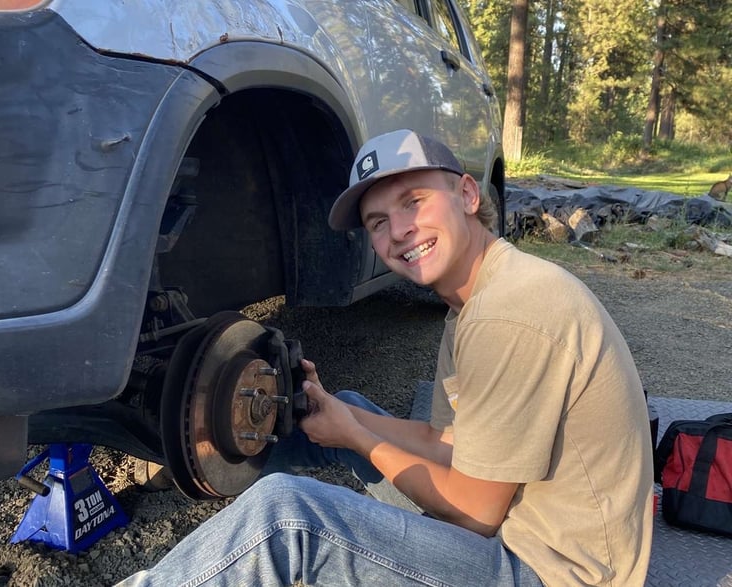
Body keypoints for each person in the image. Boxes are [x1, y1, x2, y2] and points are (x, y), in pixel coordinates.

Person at [118, 130, 654, 587]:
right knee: (343, 407)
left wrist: (356, 436)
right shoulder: (473, 302)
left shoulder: (508, 313)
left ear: (468, 194)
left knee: (286, 516)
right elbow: (444, 445)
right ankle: (207, 471)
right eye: (377, 222)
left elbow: (475, 513)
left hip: (547, 569)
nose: (398, 231)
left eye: (414, 201)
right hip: (524, 524)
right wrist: (340, 416)